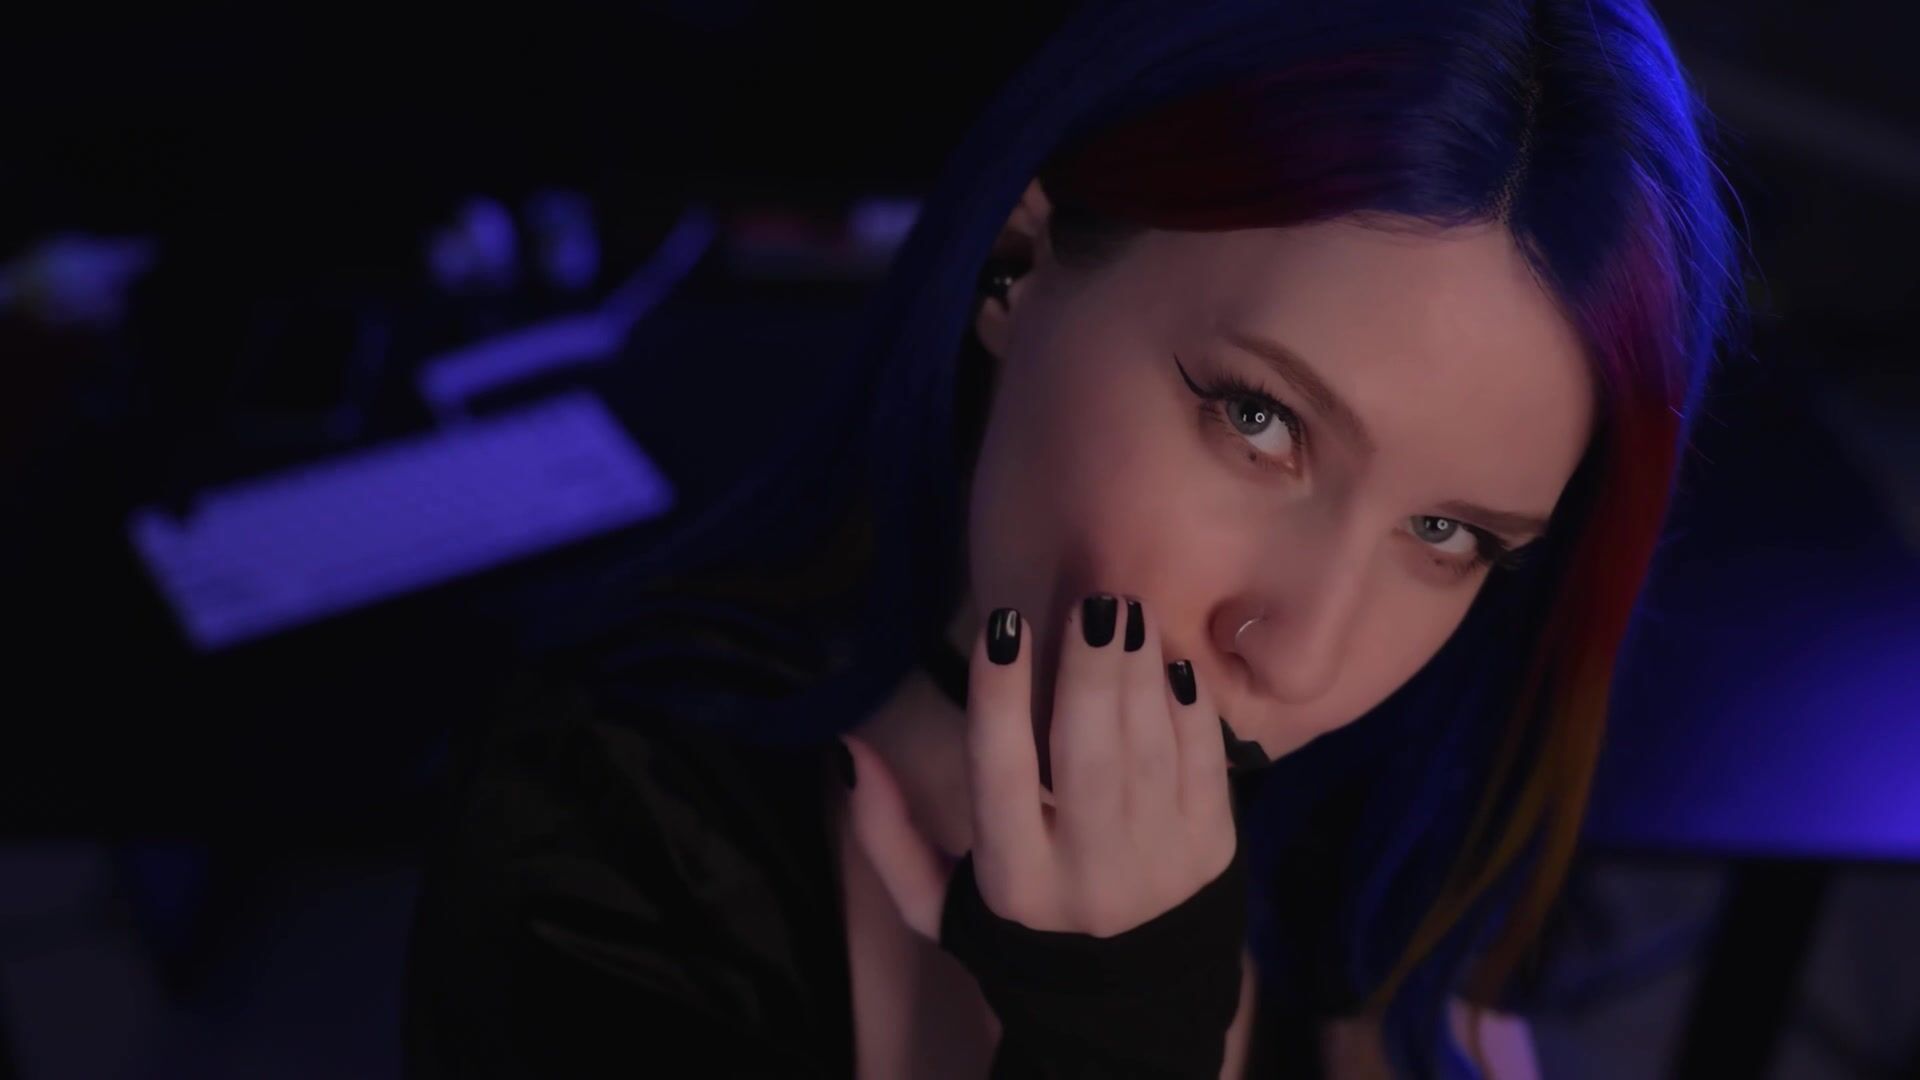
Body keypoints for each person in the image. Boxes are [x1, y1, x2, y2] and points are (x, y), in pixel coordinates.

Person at [403, 0, 1749, 1075]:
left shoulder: (1398, 842)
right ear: (1017, 261)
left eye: (1447, 532)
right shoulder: (603, 838)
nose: (1301, 654)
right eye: (1260, 419)